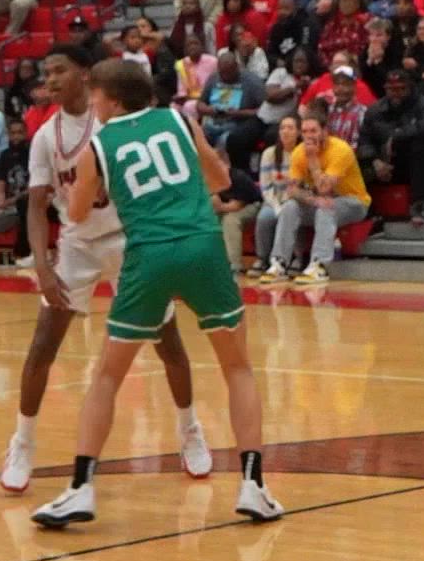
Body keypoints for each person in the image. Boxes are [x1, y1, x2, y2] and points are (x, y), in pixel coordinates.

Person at [31, 57, 282, 532]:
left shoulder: (98, 145)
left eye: (98, 97)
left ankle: (80, 487)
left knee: (107, 375)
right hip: (201, 246)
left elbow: (79, 214)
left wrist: (95, 190)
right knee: (237, 366)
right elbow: (221, 179)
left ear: (113, 100)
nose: (94, 106)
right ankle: (253, 485)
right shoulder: (179, 119)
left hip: (147, 256)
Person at [3, 48, 206, 494]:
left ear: (85, 76)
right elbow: (36, 206)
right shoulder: (45, 137)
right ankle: (22, 442)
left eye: (59, 70)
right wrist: (41, 262)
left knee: (167, 341)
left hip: (128, 239)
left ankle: (189, 429)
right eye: (45, 72)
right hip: (76, 246)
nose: (50, 79)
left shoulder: (115, 123)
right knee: (42, 346)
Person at [253, 105, 367, 284]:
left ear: (325, 131)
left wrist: (313, 160)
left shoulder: (341, 150)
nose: (309, 135)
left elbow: (325, 189)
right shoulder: (299, 152)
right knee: (290, 206)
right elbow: (292, 190)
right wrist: (311, 199)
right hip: (320, 201)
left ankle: (318, 265)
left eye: (313, 130)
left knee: (326, 208)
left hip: (353, 202)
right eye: (305, 131)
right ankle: (279, 263)